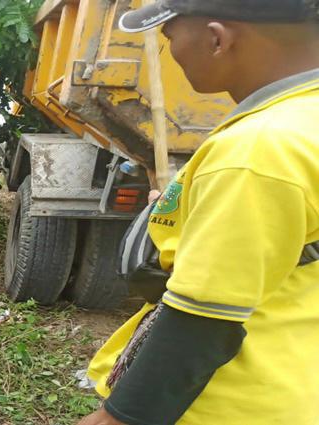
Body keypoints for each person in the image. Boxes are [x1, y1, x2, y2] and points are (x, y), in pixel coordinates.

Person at [77, 1, 319, 424]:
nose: (171, 51)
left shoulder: (259, 148)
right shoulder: (302, 121)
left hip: (230, 403)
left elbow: (202, 319)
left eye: (170, 36)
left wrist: (116, 419)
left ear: (216, 39)